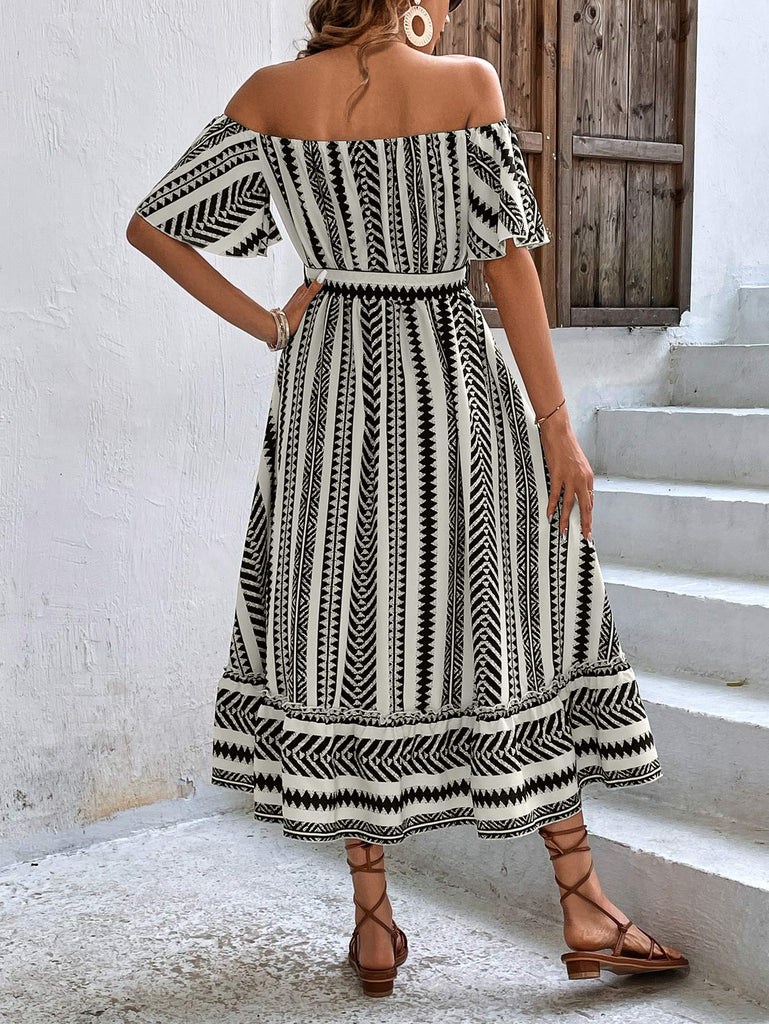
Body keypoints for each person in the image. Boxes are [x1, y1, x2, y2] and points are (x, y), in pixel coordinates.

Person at [126, 0, 688, 998]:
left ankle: (375, 924)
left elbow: (153, 229)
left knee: (344, 626)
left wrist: (271, 323)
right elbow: (507, 265)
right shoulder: (466, 84)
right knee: (511, 614)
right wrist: (558, 426)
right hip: (448, 378)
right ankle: (582, 903)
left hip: (327, 387)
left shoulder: (270, 95)